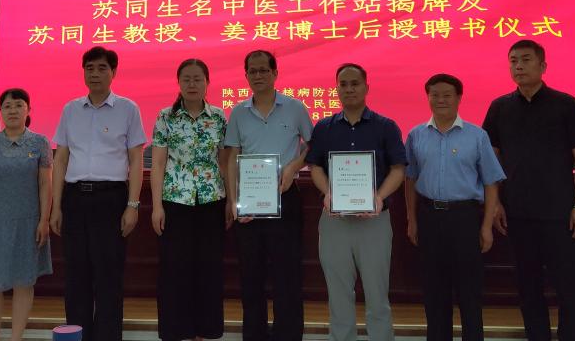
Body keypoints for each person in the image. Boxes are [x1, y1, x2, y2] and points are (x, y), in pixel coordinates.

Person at [482, 40, 575, 341]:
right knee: (528, 287)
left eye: (526, 60)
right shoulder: (500, 107)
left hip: (560, 213)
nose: (518, 66)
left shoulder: (565, 104)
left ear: (543, 66)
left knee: (568, 286)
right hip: (517, 213)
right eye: (513, 61)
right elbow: (491, 159)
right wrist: (495, 203)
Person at [49, 46, 146, 341]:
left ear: (113, 72)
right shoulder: (70, 109)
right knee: (76, 276)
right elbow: (61, 159)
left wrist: (132, 205)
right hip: (75, 198)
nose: (95, 74)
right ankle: (77, 336)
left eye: (102, 68)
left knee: (108, 276)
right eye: (89, 68)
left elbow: (136, 160)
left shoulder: (128, 109)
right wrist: (56, 206)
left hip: (111, 199)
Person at [307, 63, 406, 341]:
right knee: (338, 294)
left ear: (366, 87)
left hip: (374, 222)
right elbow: (315, 166)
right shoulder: (324, 127)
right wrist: (328, 193)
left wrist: (379, 197)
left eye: (355, 83)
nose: (349, 89)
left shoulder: (386, 126)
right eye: (343, 84)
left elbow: (398, 169)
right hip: (334, 221)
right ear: (336, 89)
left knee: (377, 294)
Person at [404, 74, 505, 341]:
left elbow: (491, 182)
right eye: (435, 95)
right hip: (429, 217)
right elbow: (410, 179)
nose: (441, 100)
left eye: (447, 95)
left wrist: (486, 226)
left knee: (469, 292)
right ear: (427, 97)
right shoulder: (415, 135)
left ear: (459, 98)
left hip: (465, 218)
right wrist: (412, 219)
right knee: (434, 292)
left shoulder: (477, 136)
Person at [224, 50, 313, 341]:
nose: (258, 75)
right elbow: (232, 156)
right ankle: (255, 335)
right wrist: (233, 200)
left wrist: (294, 166)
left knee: (288, 275)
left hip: (285, 200)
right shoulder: (238, 112)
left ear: (275, 73)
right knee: (251, 277)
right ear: (246, 75)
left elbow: (313, 146)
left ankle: (288, 335)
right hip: (249, 202)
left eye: (264, 70)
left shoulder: (295, 108)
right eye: (253, 71)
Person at [150, 59, 229, 341]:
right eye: (186, 79)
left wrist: (231, 201)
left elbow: (224, 162)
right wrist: (156, 207)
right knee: (175, 269)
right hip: (175, 202)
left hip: (212, 201)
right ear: (179, 83)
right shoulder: (166, 117)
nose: (192, 84)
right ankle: (176, 331)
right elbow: (158, 164)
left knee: (209, 268)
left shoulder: (218, 117)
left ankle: (205, 330)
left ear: (207, 82)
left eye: (197, 79)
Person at [0, 88, 52, 341]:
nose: (12, 110)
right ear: (0, 111)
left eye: (18, 105)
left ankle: (16, 338)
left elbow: (45, 184)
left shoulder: (40, 143)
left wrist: (44, 220)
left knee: (24, 283)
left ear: (28, 110)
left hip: (28, 223)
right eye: (7, 106)